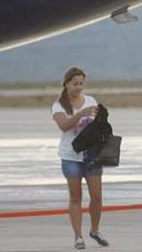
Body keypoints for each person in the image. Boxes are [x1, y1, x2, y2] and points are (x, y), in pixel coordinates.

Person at [51, 67, 109, 250]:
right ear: (66, 84)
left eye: (81, 84)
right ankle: (78, 236)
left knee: (97, 196)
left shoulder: (90, 100)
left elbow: (99, 124)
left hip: (91, 155)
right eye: (75, 84)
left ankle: (95, 230)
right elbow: (64, 126)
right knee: (76, 197)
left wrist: (101, 119)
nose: (78, 87)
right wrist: (80, 114)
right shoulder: (58, 106)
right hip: (70, 157)